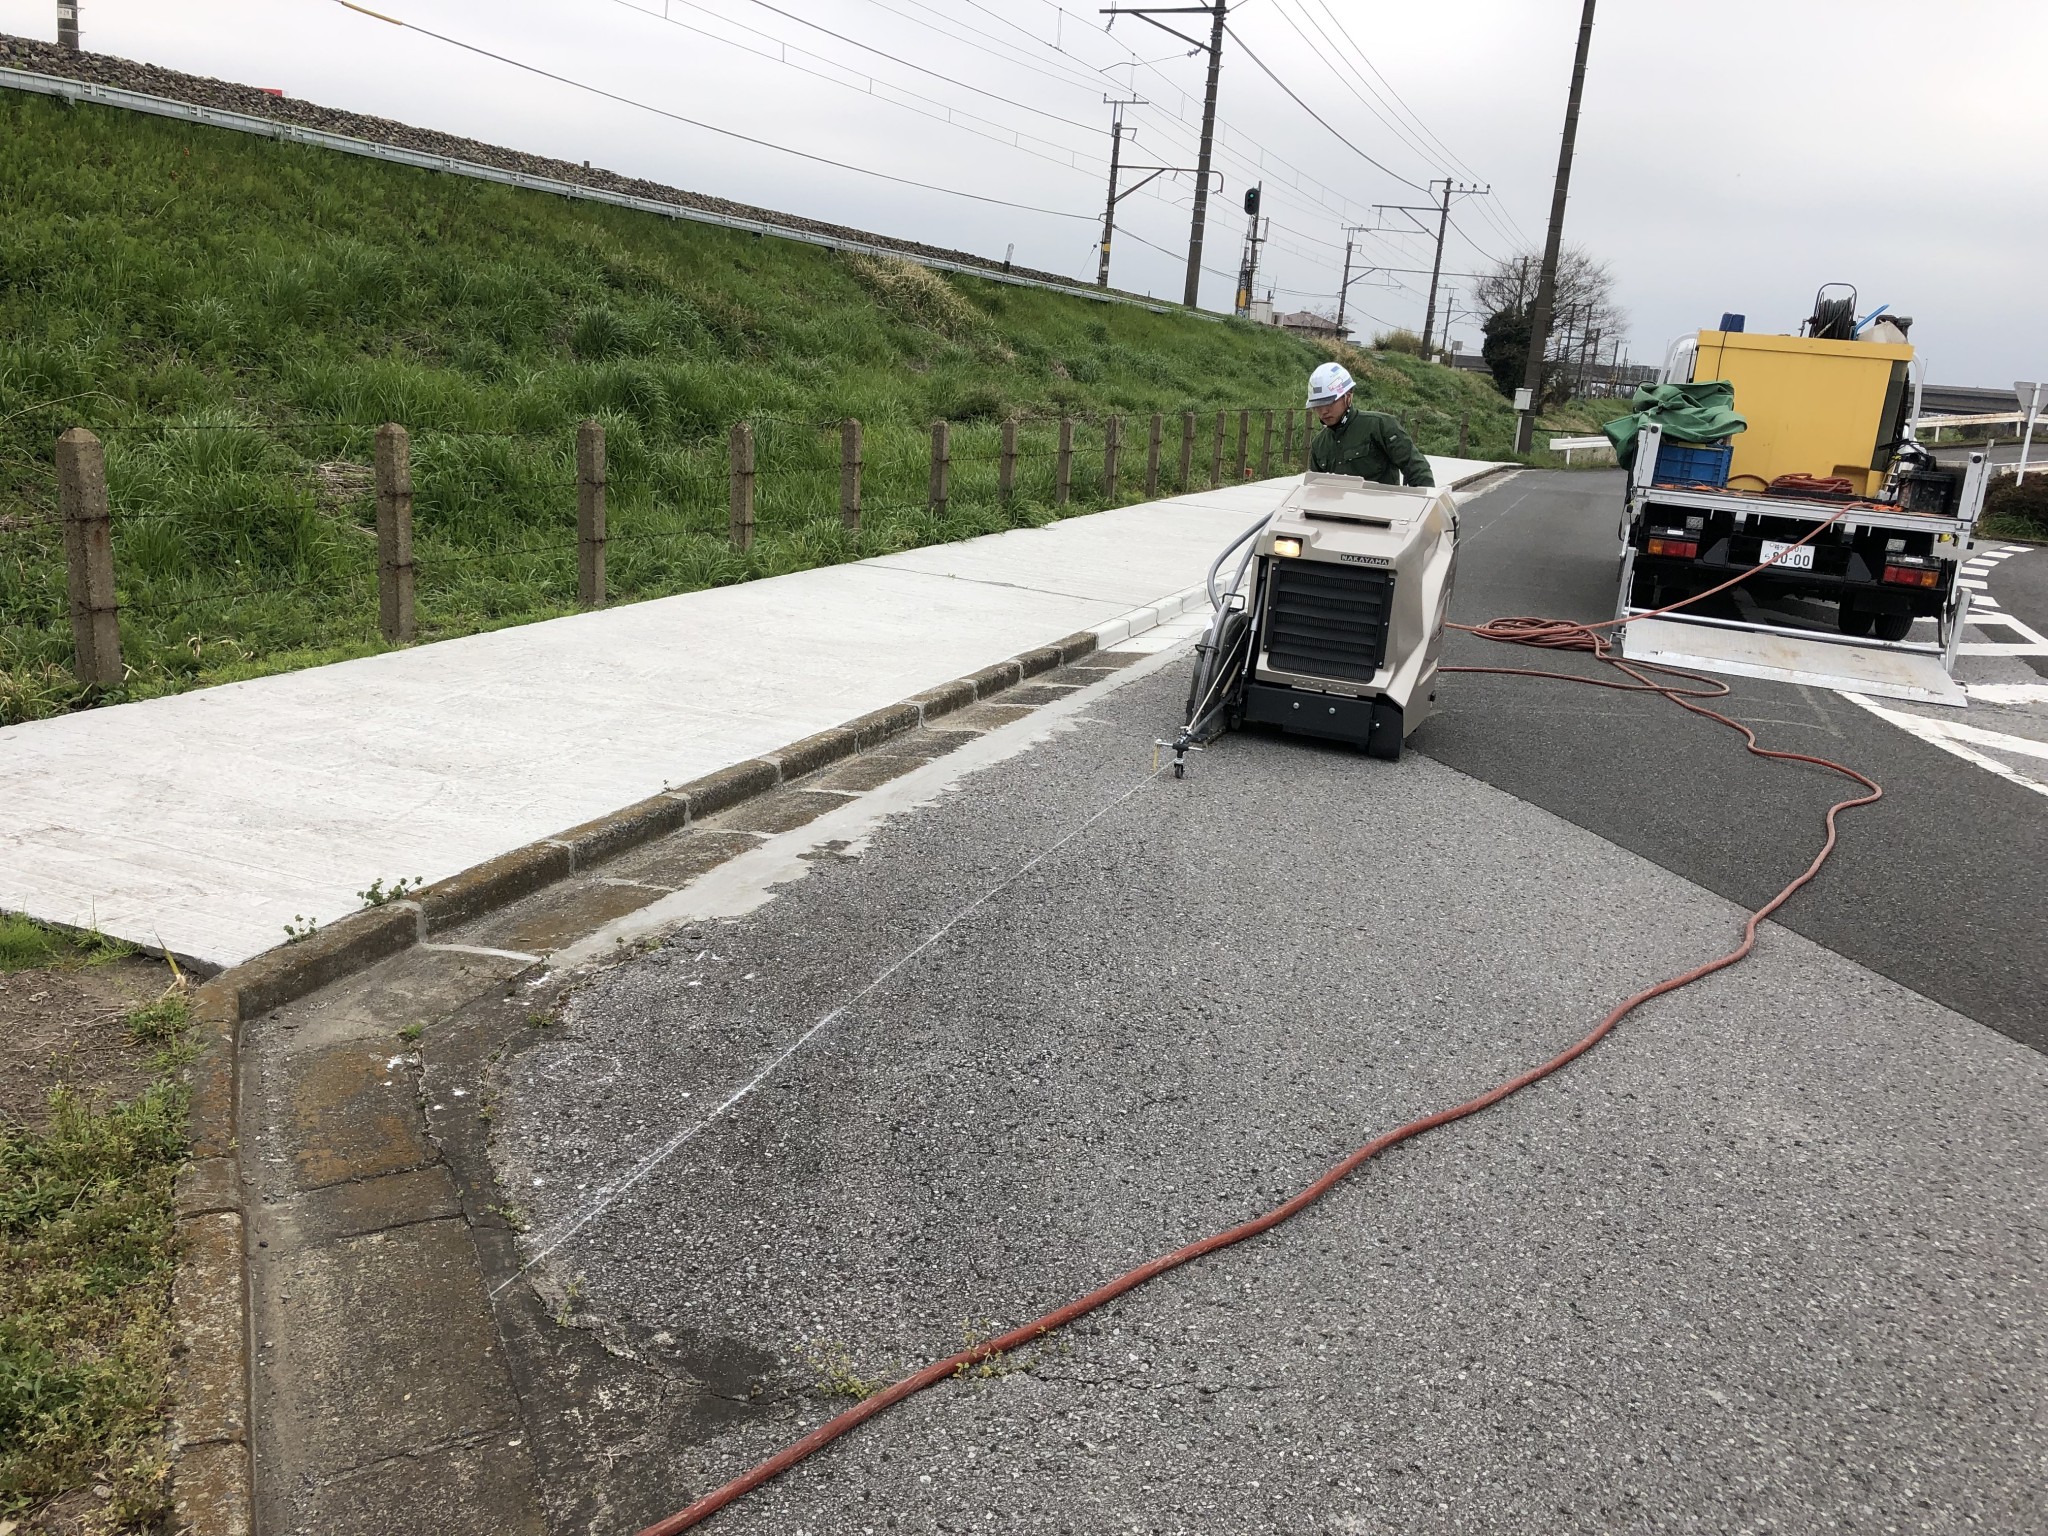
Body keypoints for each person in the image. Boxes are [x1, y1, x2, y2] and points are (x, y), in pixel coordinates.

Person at [1305, 361, 1433, 486]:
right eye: (1317, 405)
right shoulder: (1319, 445)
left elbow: (1417, 469)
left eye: (1329, 402)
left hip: (1382, 500)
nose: (1323, 411)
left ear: (1348, 397)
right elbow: (1316, 490)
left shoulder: (1380, 426)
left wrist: (1423, 497)